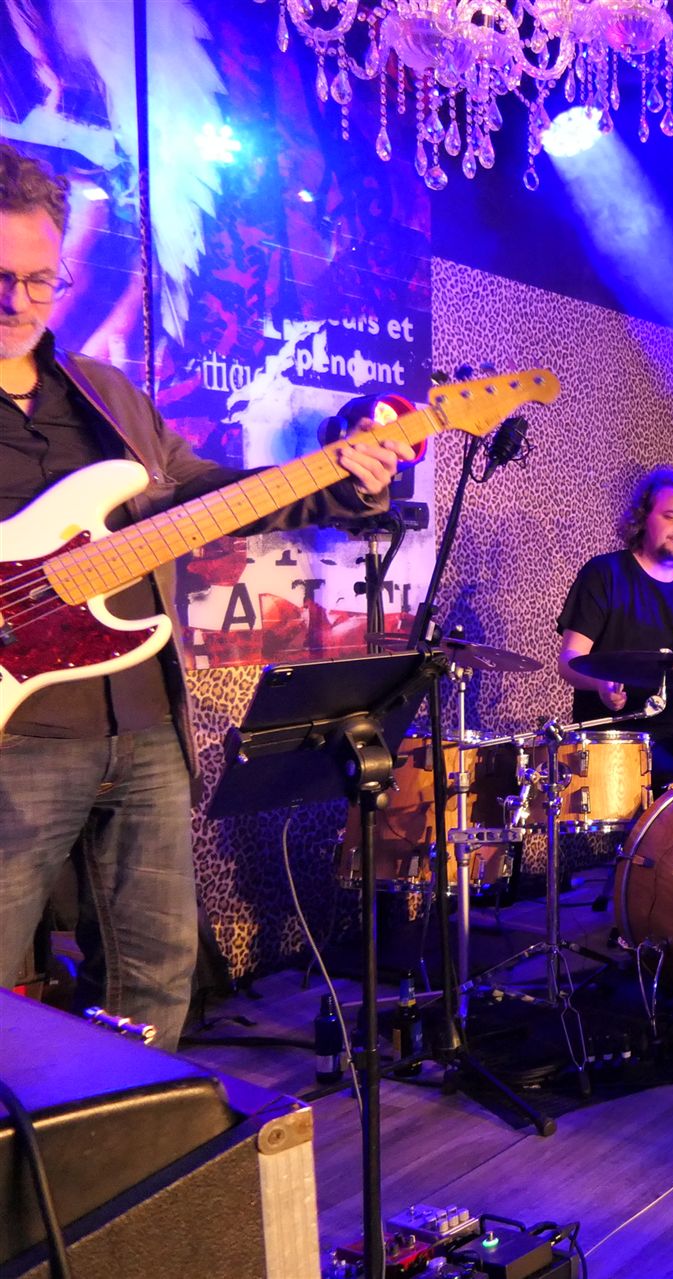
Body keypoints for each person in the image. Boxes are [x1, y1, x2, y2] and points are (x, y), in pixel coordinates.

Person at [0, 143, 407, 1050]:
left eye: (39, 279)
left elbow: (209, 498)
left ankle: (128, 1138)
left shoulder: (105, 396)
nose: (18, 302)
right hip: (17, 741)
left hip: (144, 723)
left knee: (157, 978)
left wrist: (340, 480)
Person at [555, 465, 673, 781]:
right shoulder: (604, 574)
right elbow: (569, 660)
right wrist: (600, 684)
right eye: (671, 516)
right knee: (671, 772)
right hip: (621, 733)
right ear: (643, 518)